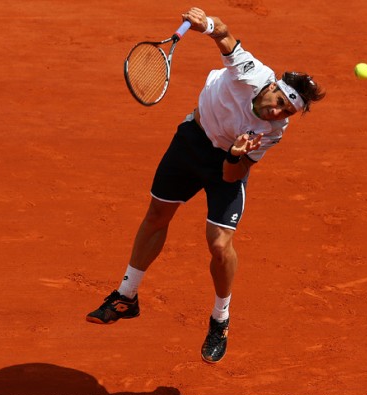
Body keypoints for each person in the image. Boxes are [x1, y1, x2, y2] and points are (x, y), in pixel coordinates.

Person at [86, 7, 326, 363]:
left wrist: (234, 155)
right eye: (278, 103)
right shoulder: (251, 73)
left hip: (224, 165)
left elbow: (232, 176)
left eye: (286, 113)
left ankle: (220, 319)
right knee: (157, 214)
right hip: (191, 142)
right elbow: (225, 37)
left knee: (218, 244)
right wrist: (207, 24)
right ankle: (126, 296)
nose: (277, 113)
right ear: (273, 87)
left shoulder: (272, 132)